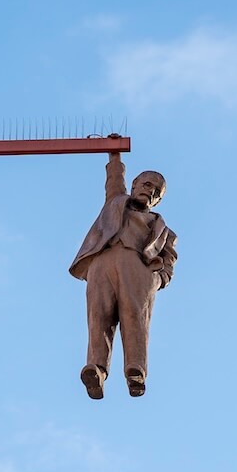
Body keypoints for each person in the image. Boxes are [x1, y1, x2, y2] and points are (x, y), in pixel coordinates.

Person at [69, 151, 177, 399]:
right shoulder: (116, 202)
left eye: (156, 192)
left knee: (135, 318)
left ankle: (135, 371)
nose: (150, 191)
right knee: (98, 316)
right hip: (103, 263)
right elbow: (114, 179)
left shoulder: (164, 231)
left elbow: (169, 261)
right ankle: (96, 368)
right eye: (147, 184)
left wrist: (158, 278)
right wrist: (114, 154)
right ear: (134, 185)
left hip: (138, 267)